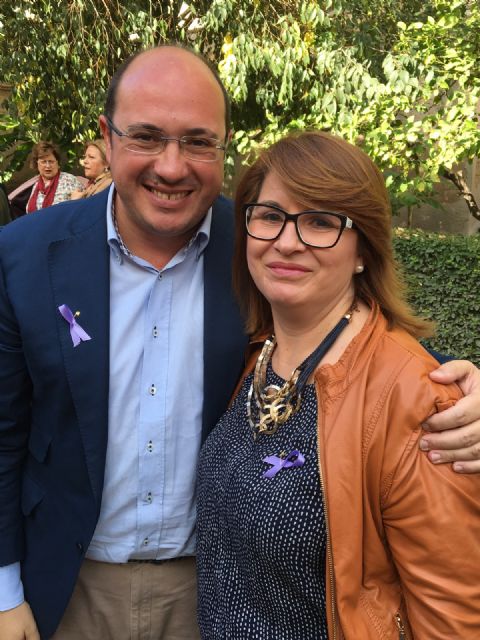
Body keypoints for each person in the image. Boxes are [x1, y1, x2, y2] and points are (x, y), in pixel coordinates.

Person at [0, 45, 479, 640]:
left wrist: (453, 391)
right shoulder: (25, 255)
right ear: (108, 136)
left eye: (198, 141)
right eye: (146, 136)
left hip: (204, 592)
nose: (171, 167)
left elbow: (363, 360)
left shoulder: (252, 245)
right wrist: (4, 589)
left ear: (222, 147)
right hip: (64, 589)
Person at [196, 131, 480, 639]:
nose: (287, 241)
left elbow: (454, 618)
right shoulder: (256, 354)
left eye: (321, 222)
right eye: (270, 216)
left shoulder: (419, 401)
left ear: (363, 249)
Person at [25, 141, 83, 213]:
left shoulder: (69, 180)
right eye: (43, 162)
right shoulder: (36, 185)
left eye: (51, 161)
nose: (48, 166)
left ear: (57, 163)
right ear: (37, 164)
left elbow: (81, 207)